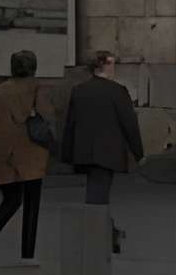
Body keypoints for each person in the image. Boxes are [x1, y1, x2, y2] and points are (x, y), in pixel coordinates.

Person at [60, 47, 143, 256]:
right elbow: (129, 124)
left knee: (96, 192)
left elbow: (70, 123)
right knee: (98, 195)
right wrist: (139, 153)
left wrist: (68, 153)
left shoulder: (79, 90)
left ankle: (108, 232)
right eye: (113, 63)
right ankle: (100, 236)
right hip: (108, 151)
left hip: (84, 150)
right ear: (105, 65)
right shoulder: (117, 91)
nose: (115, 68)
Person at [0, 47, 51, 266]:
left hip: (5, 154)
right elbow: (48, 115)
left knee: (11, 200)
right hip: (32, 154)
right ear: (33, 68)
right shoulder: (37, 89)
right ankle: (27, 256)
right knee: (32, 205)